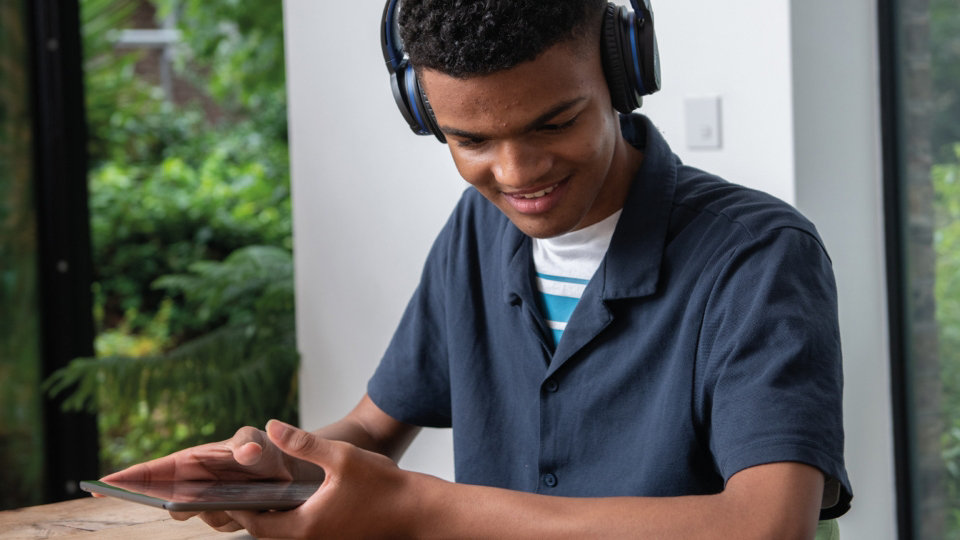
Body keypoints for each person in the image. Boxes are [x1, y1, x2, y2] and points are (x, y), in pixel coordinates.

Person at [102, 0, 853, 537]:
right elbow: (372, 423)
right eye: (472, 141)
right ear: (425, 115)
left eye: (554, 122)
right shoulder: (478, 231)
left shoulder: (759, 255)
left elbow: (765, 524)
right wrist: (275, 470)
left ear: (622, 77)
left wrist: (421, 509)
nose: (517, 173)